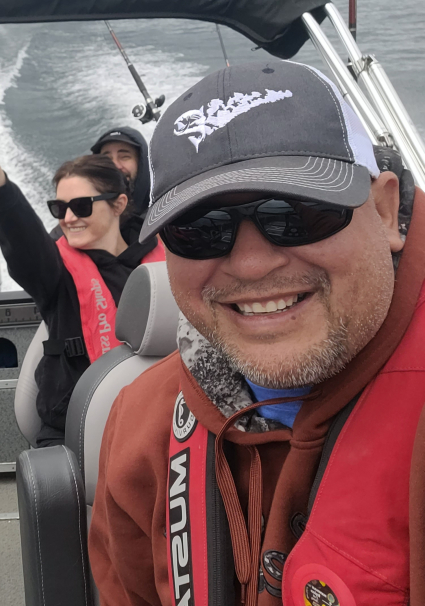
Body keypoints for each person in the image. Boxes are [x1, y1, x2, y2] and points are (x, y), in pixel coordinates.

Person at [88, 60, 425, 606]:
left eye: (297, 213)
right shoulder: (137, 429)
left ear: (386, 211)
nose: (250, 264)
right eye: (200, 229)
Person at [0, 91, 164, 447]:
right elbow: (22, 241)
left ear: (119, 204)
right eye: (59, 207)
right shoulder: (54, 271)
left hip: (163, 420)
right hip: (77, 430)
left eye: (81, 206)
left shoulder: (168, 256)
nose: (68, 218)